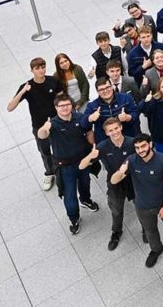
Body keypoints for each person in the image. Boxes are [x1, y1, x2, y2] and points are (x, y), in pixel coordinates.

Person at [111, 134, 163, 268]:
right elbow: (113, 180)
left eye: (143, 146)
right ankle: (156, 249)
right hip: (142, 206)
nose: (141, 150)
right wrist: (120, 172)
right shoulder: (131, 160)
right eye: (137, 148)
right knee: (150, 230)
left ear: (150, 144)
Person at [38, 93, 98, 234]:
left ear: (72, 105)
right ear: (56, 108)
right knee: (69, 194)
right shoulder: (52, 124)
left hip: (83, 161)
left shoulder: (79, 117)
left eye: (67, 105)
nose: (65, 108)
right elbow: (42, 135)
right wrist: (44, 128)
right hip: (65, 166)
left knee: (85, 183)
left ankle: (85, 200)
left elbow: (88, 131)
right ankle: (74, 219)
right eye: (61, 106)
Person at [80, 117, 135, 250]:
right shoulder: (102, 147)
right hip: (114, 183)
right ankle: (116, 232)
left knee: (141, 207)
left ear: (121, 127)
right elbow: (82, 166)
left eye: (116, 128)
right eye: (111, 130)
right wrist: (90, 156)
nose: (114, 132)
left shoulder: (132, 143)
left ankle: (146, 229)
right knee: (116, 209)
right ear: (106, 133)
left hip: (134, 180)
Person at [7, 57, 60, 190]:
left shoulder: (53, 81)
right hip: (39, 125)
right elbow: (10, 107)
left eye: (43, 67)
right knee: (45, 150)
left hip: (55, 122)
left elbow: (62, 98)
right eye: (37, 68)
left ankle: (62, 170)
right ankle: (49, 173)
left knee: (60, 147)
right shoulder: (27, 86)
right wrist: (23, 91)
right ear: (32, 70)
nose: (41, 70)